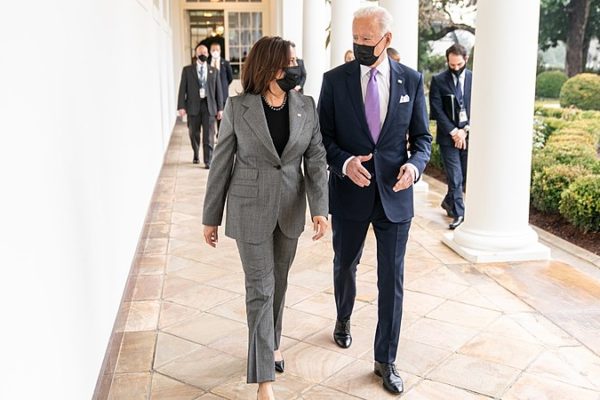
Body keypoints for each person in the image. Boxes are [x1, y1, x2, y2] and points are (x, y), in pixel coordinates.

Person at [202, 36, 329, 400]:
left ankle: (270, 344)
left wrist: (320, 209)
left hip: (290, 209)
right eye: (289, 61)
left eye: (295, 61)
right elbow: (221, 163)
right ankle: (264, 381)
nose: (295, 67)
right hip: (249, 208)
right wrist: (210, 216)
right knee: (259, 288)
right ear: (269, 66)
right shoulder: (239, 107)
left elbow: (316, 159)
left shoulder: (305, 104)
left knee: (279, 282)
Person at [318, 6, 432, 395]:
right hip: (350, 195)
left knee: (392, 281)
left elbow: (423, 141)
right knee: (345, 264)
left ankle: (386, 359)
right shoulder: (334, 81)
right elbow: (323, 139)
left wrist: (415, 168)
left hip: (395, 199)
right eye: (355, 39)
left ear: (386, 39)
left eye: (367, 39)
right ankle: (343, 317)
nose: (360, 45)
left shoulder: (412, 81)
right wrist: (345, 162)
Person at [429, 43, 472, 229]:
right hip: (448, 137)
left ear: (466, 60)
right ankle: (460, 214)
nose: (455, 68)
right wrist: (454, 132)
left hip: (469, 134)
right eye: (451, 65)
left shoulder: (475, 79)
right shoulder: (438, 80)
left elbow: (481, 106)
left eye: (459, 65)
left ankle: (449, 201)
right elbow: (437, 109)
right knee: (455, 177)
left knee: (464, 176)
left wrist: (465, 130)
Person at [177, 44, 224, 168]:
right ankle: (196, 152)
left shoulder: (214, 71)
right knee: (194, 133)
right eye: (200, 52)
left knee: (209, 135)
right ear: (196, 54)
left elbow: (218, 91)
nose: (202, 54)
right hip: (193, 106)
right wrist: (181, 106)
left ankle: (208, 161)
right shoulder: (187, 70)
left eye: (204, 52)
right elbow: (182, 89)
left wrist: (220, 109)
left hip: (209, 106)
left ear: (207, 54)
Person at [208, 42, 234, 131]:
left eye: (217, 50)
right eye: (213, 50)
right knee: (210, 118)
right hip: (210, 95)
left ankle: (219, 135)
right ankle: (211, 135)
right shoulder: (207, 62)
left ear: (220, 51)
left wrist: (223, 87)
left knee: (221, 118)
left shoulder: (225, 63)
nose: (215, 51)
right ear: (210, 51)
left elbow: (230, 78)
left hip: (222, 95)